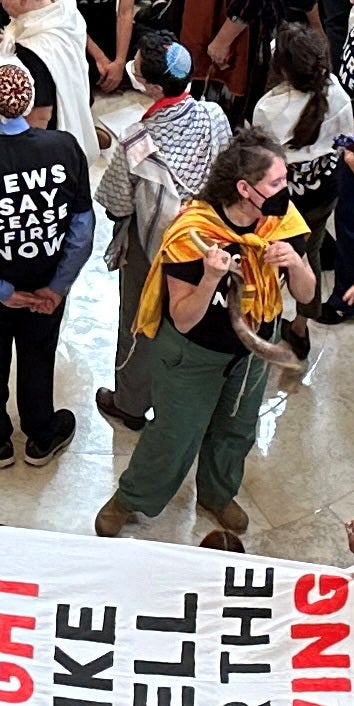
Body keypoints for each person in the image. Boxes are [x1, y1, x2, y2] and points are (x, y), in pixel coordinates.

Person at [101, 137, 303, 541]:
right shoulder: (191, 233)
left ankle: (216, 493)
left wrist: (296, 262)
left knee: (238, 428)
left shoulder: (280, 222)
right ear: (245, 190)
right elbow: (183, 317)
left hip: (250, 352)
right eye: (277, 182)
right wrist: (211, 277)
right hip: (194, 353)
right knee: (175, 434)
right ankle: (132, 498)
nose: (287, 190)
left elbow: (309, 293)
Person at [0, 56, 93, 464]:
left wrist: (0, 291)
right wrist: (57, 287)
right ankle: (41, 432)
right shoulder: (65, 147)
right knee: (38, 352)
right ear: (28, 104)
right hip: (46, 280)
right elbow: (82, 230)